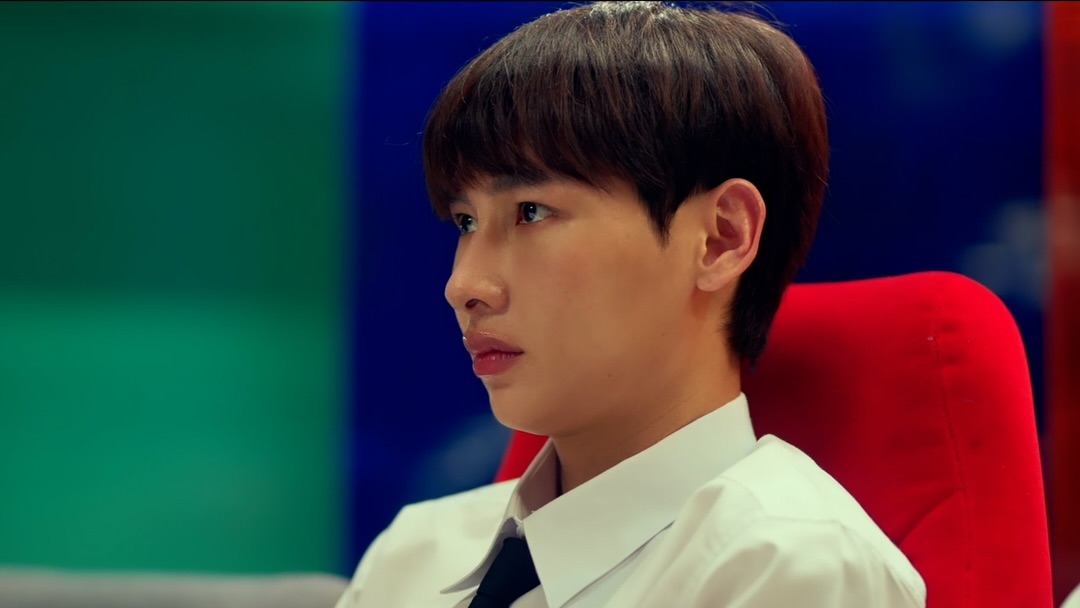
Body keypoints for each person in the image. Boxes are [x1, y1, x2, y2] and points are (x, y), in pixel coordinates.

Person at [335, 2, 926, 606]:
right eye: (465, 221)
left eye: (531, 212)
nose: (464, 285)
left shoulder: (791, 566)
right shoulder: (413, 551)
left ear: (721, 237)